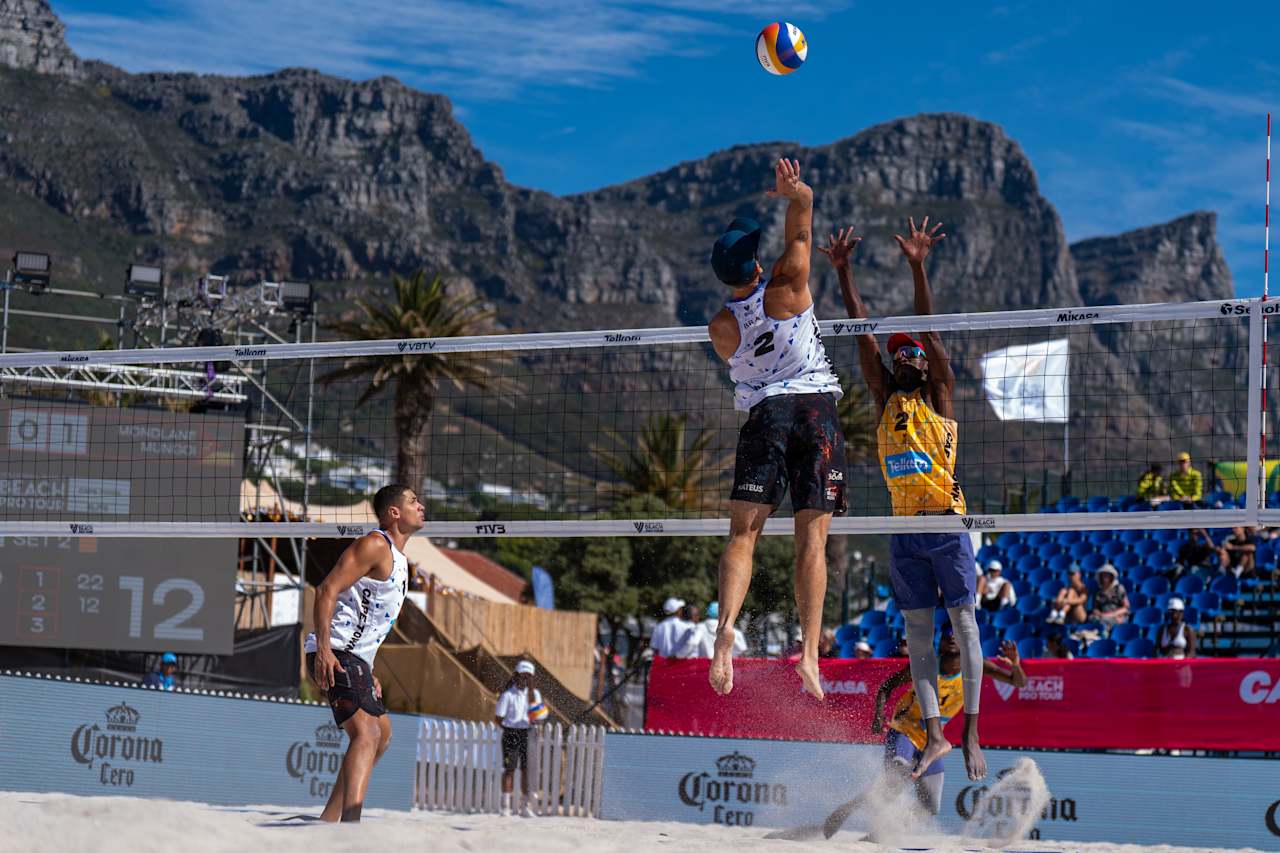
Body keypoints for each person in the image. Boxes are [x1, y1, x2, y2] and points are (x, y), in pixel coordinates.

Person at [821, 220, 988, 781]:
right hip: (905, 529)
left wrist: (918, 265)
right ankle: (935, 736)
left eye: (914, 352)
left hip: (947, 521)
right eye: (902, 355)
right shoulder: (883, 397)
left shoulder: (939, 395)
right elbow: (861, 330)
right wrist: (843, 272)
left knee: (964, 629)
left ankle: (970, 735)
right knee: (917, 637)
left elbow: (930, 330)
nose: (908, 357)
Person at [707, 159, 847, 702]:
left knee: (743, 537)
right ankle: (809, 655)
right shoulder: (787, 285)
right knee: (811, 539)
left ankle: (724, 635)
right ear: (758, 261)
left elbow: (744, 346)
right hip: (814, 410)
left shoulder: (720, 328)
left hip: (765, 415)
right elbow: (803, 227)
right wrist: (799, 193)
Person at [823, 631, 1027, 838]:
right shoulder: (924, 664)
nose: (953, 637)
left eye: (957, 633)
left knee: (931, 806)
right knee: (895, 781)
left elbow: (1018, 682)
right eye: (948, 635)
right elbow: (886, 688)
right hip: (905, 729)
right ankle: (846, 810)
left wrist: (1015, 663)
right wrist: (878, 717)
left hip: (932, 741)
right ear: (942, 642)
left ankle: (880, 835)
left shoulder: (975, 665)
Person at [305, 484, 420, 823]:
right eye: (414, 501)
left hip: (355, 658)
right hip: (335, 651)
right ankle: (350, 828)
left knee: (381, 735)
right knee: (366, 735)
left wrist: (368, 669)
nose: (422, 505)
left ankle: (329, 820)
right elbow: (326, 589)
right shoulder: (375, 544)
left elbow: (369, 622)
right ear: (394, 512)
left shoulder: (400, 562)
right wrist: (325, 650)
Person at [494, 660, 545, 817]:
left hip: (528, 734)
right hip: (511, 733)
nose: (525, 679)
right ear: (515, 676)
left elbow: (540, 715)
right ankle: (505, 807)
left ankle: (525, 807)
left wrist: (537, 721)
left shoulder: (535, 695)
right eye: (522, 676)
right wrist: (509, 729)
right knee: (509, 769)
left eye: (528, 676)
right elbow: (498, 718)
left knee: (526, 770)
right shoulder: (508, 694)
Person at [677, 602, 746, 659]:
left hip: (704, 667)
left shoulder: (701, 627)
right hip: (724, 666)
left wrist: (678, 656)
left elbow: (692, 643)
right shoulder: (730, 629)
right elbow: (741, 649)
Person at [1089, 564, 1130, 630]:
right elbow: (1095, 609)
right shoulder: (1098, 593)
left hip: (1117, 615)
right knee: (1092, 618)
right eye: (1103, 574)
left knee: (1105, 621)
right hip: (1103, 615)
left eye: (1107, 574)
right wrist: (1100, 614)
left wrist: (1113, 614)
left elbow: (1126, 607)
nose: (1105, 576)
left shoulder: (1119, 589)